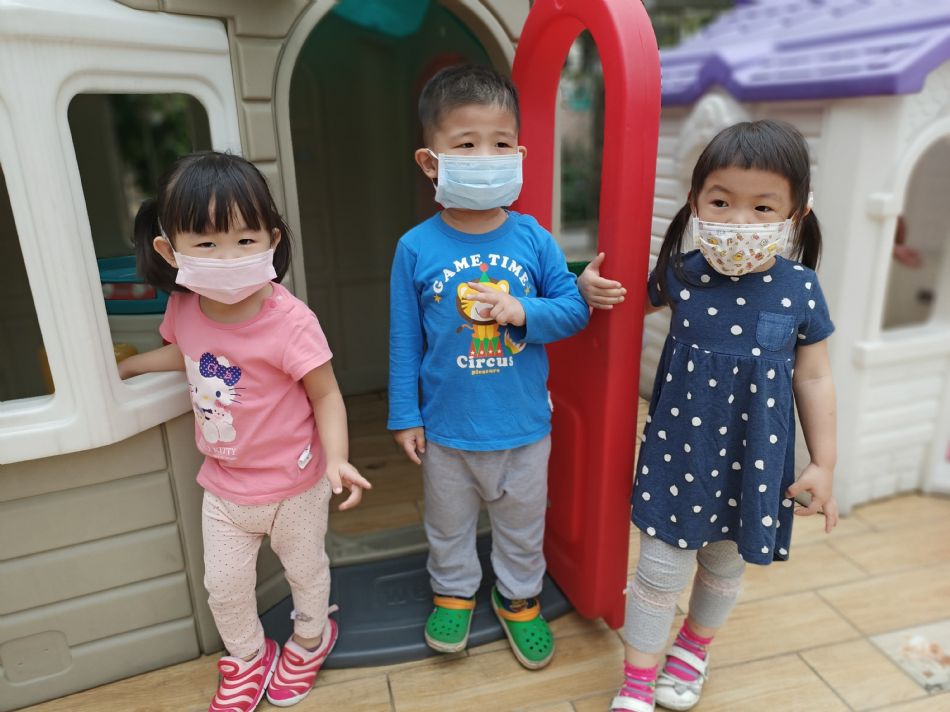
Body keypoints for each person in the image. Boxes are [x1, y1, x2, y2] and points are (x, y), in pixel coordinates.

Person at [578, 120, 839, 712]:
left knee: (723, 565)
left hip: (754, 461)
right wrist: (587, 287)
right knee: (658, 573)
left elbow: (815, 377)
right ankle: (637, 679)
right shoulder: (682, 274)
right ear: (695, 202)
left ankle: (694, 648)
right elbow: (620, 306)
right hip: (679, 456)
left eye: (762, 206)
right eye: (721, 202)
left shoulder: (800, 288)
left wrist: (824, 462)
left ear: (795, 214)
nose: (739, 221)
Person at [118, 151, 371, 712]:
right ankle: (249, 657)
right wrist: (131, 366)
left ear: (272, 241)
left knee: (306, 573)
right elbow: (185, 354)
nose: (227, 257)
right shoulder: (184, 308)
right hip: (226, 488)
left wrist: (337, 458)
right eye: (207, 244)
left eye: (245, 240)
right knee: (225, 586)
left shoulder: (291, 321)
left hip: (295, 485)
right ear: (170, 251)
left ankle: (311, 640)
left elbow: (326, 394)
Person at [388, 64, 589, 670]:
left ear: (520, 155)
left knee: (523, 524)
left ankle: (518, 596)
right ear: (430, 162)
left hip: (524, 426)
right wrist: (405, 416)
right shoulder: (415, 247)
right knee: (448, 524)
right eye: (466, 144)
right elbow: (404, 339)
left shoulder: (534, 239)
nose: (486, 157)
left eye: (500, 144)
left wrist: (521, 310)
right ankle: (453, 592)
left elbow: (573, 309)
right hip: (447, 430)